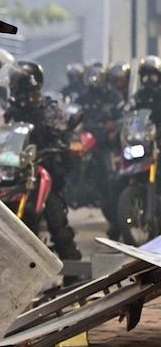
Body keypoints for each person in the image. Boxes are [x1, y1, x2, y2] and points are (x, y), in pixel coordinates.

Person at [5, 60, 83, 283]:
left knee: (56, 219)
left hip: (45, 171)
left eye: (17, 85)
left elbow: (65, 131)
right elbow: (8, 136)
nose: (14, 89)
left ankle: (74, 277)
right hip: (17, 171)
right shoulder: (14, 110)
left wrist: (72, 142)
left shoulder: (48, 108)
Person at [73, 61, 124, 239]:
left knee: (112, 180)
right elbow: (72, 116)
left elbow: (123, 117)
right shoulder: (82, 98)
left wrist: (114, 128)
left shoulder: (114, 97)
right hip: (85, 143)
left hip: (105, 145)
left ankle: (117, 225)